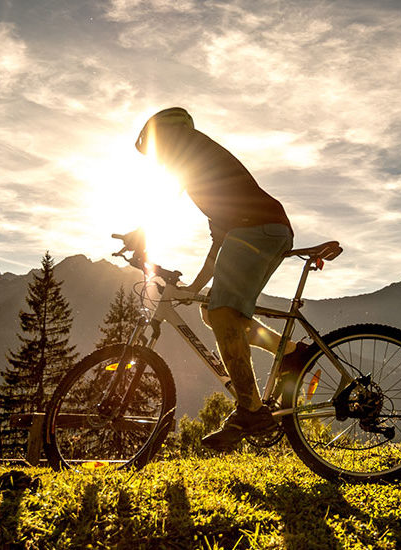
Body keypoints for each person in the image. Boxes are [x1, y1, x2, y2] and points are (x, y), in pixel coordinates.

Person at [135, 107, 309, 452]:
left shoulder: (192, 153)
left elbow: (163, 203)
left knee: (223, 314)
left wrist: (139, 234)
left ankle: (250, 410)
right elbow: (220, 243)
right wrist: (194, 289)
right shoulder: (210, 174)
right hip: (264, 230)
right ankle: (290, 353)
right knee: (212, 311)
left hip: (258, 229)